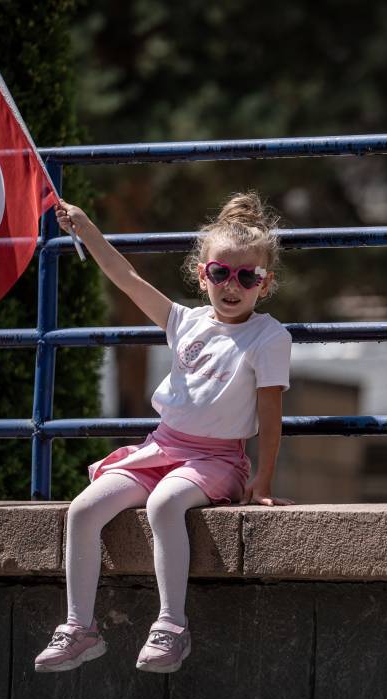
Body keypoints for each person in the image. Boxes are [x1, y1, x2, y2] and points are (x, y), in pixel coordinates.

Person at [34, 192, 294, 674]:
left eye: (246, 277)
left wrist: (264, 478)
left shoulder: (269, 336)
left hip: (216, 461)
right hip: (161, 448)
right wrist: (87, 228)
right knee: (83, 509)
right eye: (220, 273)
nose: (231, 286)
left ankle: (171, 627)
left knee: (164, 504)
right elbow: (126, 278)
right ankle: (79, 627)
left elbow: (270, 410)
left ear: (265, 282)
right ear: (202, 273)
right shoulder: (185, 321)